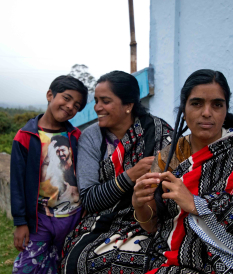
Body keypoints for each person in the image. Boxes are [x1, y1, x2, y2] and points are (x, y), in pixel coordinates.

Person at [132, 69, 233, 273]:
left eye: (217, 104)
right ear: (184, 108)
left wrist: (198, 204)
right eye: (197, 103)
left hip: (232, 262)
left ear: (226, 109)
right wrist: (139, 206)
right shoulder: (167, 157)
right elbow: (153, 226)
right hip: (173, 257)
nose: (207, 112)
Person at [60, 70, 174, 274]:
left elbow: (172, 186)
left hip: (151, 221)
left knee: (154, 263)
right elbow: (90, 199)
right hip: (102, 223)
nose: (97, 108)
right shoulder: (92, 138)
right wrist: (131, 175)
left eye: (105, 101)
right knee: (79, 262)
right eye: (96, 101)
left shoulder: (159, 133)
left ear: (128, 105)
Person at [11, 75, 88, 273]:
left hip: (73, 217)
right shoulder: (26, 137)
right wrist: (20, 222)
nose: (71, 106)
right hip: (39, 220)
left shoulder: (76, 137)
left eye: (77, 105)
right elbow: (17, 183)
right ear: (50, 95)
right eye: (67, 98)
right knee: (27, 267)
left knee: (64, 265)